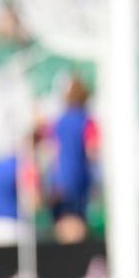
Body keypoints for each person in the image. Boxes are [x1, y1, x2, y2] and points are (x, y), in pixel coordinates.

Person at [48, 75, 99, 244]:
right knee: (76, 225)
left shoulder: (59, 121)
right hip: (78, 180)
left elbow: (52, 152)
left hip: (59, 180)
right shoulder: (87, 122)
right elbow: (93, 152)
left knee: (62, 223)